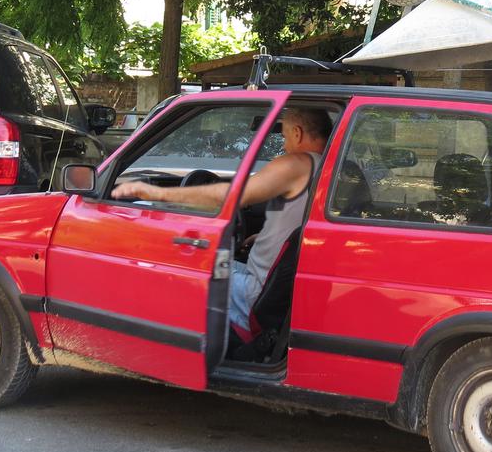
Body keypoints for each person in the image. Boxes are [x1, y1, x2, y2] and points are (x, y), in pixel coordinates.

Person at [112, 106, 332, 345]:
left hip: (254, 291)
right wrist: (264, 235)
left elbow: (232, 195)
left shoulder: (298, 163)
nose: (284, 145)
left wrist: (157, 193)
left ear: (297, 133)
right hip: (272, 284)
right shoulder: (330, 168)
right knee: (207, 260)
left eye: (285, 136)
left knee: (172, 271)